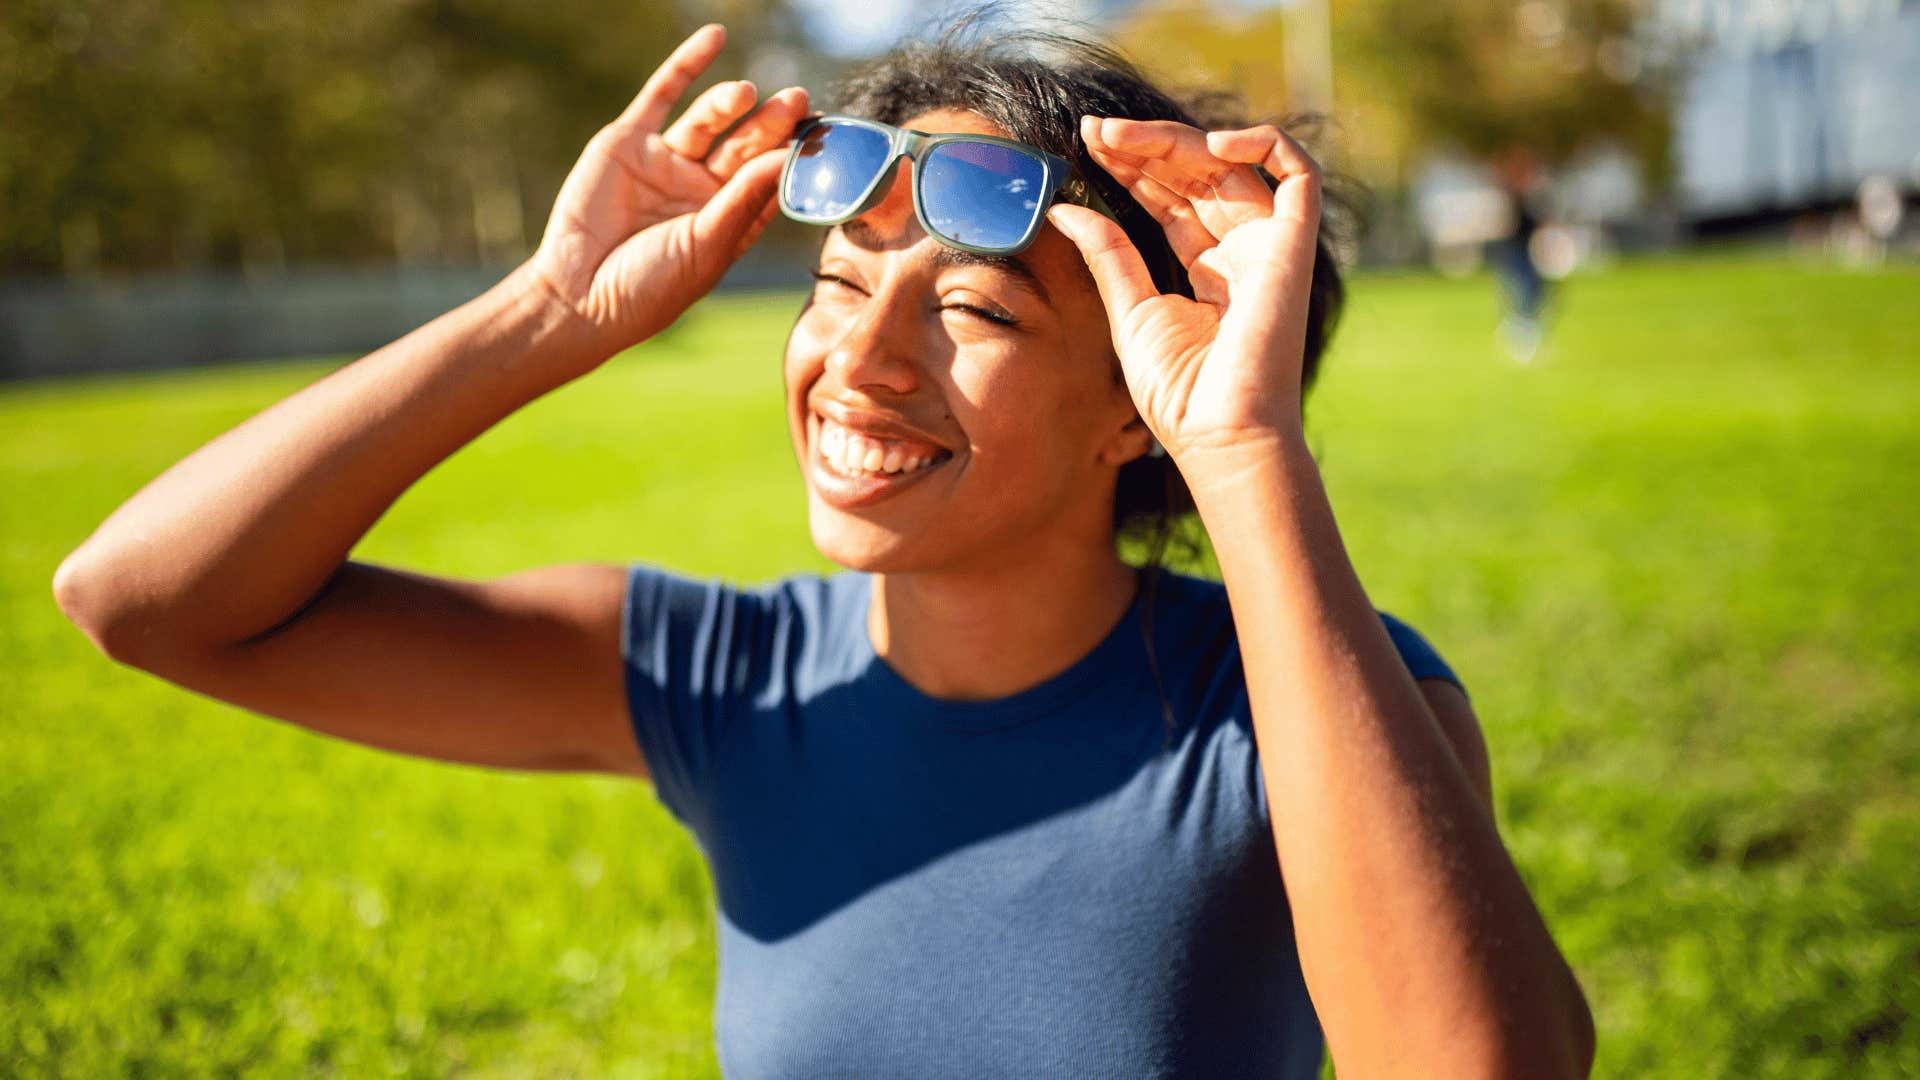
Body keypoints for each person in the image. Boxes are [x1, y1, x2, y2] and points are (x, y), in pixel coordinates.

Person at [52, 18, 1595, 1079]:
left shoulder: (1306, 710)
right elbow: (147, 602)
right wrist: (548, 310)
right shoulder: (722, 684)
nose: (862, 361)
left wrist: (1246, 449)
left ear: (1138, 405)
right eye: (839, 284)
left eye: (975, 309)